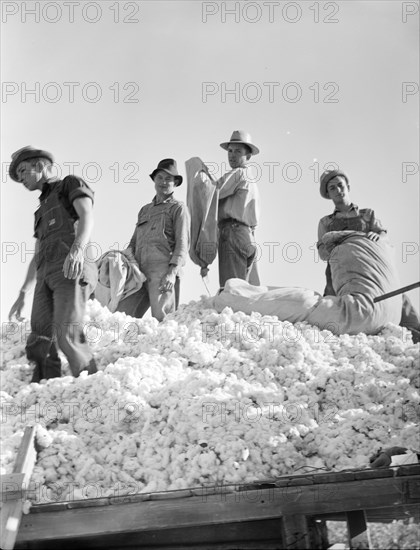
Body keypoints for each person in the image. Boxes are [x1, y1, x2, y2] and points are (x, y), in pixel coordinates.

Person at [8, 146, 98, 382]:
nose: (22, 179)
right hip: (45, 275)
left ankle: (91, 387)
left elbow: (86, 215)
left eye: (24, 171)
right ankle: (46, 391)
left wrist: (77, 250)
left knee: (66, 333)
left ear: (40, 166)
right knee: (39, 339)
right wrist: (22, 292)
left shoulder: (69, 184)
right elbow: (37, 254)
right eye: (19, 176)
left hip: (70, 267)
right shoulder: (40, 210)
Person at [317, 169, 420, 342]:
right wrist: (340, 244)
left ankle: (414, 337)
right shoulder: (326, 222)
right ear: (328, 194)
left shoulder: (367, 215)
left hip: (373, 270)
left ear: (347, 186)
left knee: (397, 301)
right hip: (342, 275)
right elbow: (322, 252)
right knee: (337, 311)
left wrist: (377, 237)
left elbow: (384, 238)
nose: (338, 190)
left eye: (340, 185)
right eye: (332, 188)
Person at [117, 159, 190, 322]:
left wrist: (172, 273)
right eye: (160, 177)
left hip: (162, 272)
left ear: (175, 183)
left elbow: (182, 244)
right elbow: (133, 242)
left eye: (168, 179)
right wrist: (122, 261)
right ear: (154, 180)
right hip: (138, 272)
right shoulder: (144, 210)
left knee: (163, 321)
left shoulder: (178, 208)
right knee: (122, 317)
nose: (163, 182)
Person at [202, 130, 261, 288]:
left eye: (238, 151)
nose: (232, 155)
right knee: (245, 290)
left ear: (248, 156)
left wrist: (201, 175)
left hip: (233, 233)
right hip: (248, 236)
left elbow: (212, 192)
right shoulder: (250, 178)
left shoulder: (238, 173)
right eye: (230, 151)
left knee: (232, 290)